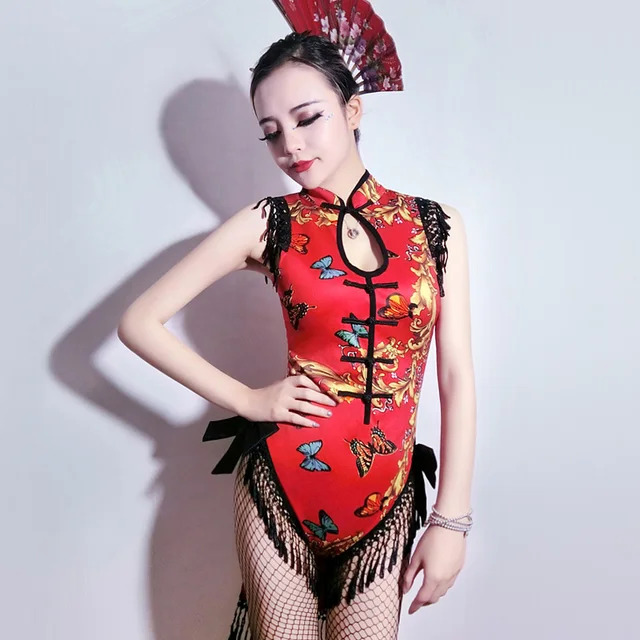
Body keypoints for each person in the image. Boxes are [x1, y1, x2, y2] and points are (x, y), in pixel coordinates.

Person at [118, 4, 476, 639]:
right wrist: (247, 399)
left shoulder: (435, 226)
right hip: (281, 489)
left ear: (353, 109)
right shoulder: (270, 223)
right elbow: (140, 322)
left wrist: (451, 520)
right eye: (272, 132)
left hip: (387, 503)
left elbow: (456, 377)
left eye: (308, 119)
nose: (292, 146)